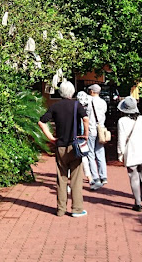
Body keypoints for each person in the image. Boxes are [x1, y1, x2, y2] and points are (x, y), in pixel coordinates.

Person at [39, 80, 89, 217]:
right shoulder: (76, 105)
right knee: (76, 179)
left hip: (60, 146)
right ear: (72, 92)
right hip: (74, 146)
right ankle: (77, 209)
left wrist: (50, 137)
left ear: (60, 92)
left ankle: (60, 209)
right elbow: (85, 119)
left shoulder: (55, 106)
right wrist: (85, 135)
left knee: (61, 179)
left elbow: (41, 122)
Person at [116, 96, 142, 212]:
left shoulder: (122, 121)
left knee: (134, 179)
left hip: (131, 153)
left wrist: (120, 153)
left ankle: (137, 203)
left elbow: (121, 139)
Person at [84, 84, 108, 190]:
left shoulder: (88, 101)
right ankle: (104, 176)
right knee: (100, 152)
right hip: (101, 130)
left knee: (90, 154)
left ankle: (95, 176)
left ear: (92, 91)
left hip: (91, 130)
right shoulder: (103, 102)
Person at [75, 91, 94, 184]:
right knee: (83, 157)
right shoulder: (82, 111)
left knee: (82, 157)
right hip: (79, 136)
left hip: (79, 136)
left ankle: (89, 177)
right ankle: (89, 177)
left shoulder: (76, 109)